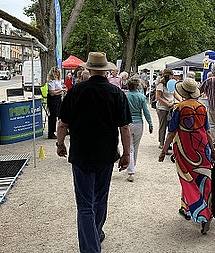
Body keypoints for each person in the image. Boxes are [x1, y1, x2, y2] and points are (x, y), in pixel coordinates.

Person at [56, 52, 132, 253]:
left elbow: (63, 123)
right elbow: (124, 128)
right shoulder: (117, 94)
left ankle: (90, 246)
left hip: (81, 154)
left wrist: (60, 144)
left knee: (84, 204)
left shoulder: (75, 91)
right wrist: (126, 154)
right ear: (106, 70)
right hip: (106, 154)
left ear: (88, 69)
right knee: (100, 198)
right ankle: (96, 232)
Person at [158, 78, 215, 234]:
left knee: (187, 179)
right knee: (203, 179)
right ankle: (188, 207)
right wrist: (213, 151)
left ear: (183, 92)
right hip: (202, 147)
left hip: (185, 149)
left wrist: (164, 151)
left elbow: (171, 132)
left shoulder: (179, 108)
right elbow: (208, 132)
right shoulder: (202, 107)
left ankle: (202, 213)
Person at [125, 77, 153, 182]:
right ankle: (132, 166)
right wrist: (150, 124)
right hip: (138, 124)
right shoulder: (141, 97)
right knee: (135, 147)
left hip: (127, 123)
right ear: (138, 86)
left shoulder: (125, 96)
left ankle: (131, 169)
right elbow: (146, 112)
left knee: (129, 147)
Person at [156, 68, 182, 149]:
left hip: (171, 106)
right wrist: (167, 103)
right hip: (162, 107)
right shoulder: (160, 85)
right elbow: (158, 97)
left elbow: (174, 93)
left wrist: (181, 100)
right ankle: (161, 143)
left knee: (171, 125)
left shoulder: (171, 84)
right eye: (171, 75)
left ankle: (168, 142)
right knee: (163, 125)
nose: (172, 77)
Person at [47, 66, 66, 139]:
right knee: (53, 116)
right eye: (56, 73)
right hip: (53, 99)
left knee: (60, 114)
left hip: (58, 98)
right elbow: (52, 92)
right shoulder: (51, 81)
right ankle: (51, 132)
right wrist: (61, 90)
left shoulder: (59, 81)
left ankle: (61, 129)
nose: (58, 74)